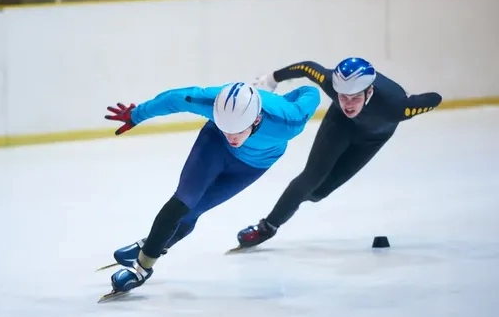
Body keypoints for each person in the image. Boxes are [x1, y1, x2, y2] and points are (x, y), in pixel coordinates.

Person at [102, 80, 321, 296]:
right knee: (183, 202)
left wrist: (280, 100)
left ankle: (152, 243)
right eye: (225, 127)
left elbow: (310, 91)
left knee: (193, 211)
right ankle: (142, 268)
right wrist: (136, 115)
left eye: (238, 130)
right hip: (215, 145)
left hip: (252, 165)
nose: (232, 137)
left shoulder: (289, 120)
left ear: (256, 119)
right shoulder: (211, 101)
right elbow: (172, 99)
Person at [236, 57, 443, 248]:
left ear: (369, 92)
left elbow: (435, 98)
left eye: (355, 98)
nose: (348, 105)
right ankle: (267, 227)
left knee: (317, 193)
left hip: (372, 139)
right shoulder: (330, 83)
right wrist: (272, 78)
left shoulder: (396, 107)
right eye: (343, 97)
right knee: (311, 178)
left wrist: (409, 101)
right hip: (340, 124)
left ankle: (296, 199)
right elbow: (307, 67)